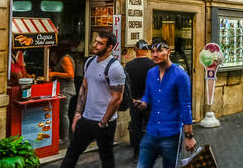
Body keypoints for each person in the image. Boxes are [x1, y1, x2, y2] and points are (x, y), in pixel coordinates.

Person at [61, 31, 125, 168]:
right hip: (86, 119)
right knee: (71, 154)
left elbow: (117, 98)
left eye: (100, 43)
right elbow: (84, 88)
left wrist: (103, 122)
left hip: (104, 122)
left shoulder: (115, 68)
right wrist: (78, 113)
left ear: (109, 48)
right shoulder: (89, 61)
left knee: (106, 158)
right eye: (95, 41)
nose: (95, 45)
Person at [134, 39, 196, 168]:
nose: (155, 55)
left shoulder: (180, 75)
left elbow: (185, 106)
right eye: (153, 51)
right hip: (150, 132)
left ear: (168, 51)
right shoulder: (151, 73)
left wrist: (189, 136)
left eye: (159, 51)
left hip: (171, 134)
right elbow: (148, 94)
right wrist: (144, 102)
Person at [125, 40, 154, 159]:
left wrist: (130, 99)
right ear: (146, 50)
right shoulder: (153, 65)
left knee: (136, 126)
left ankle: (137, 152)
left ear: (136, 49)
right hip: (150, 102)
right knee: (149, 126)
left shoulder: (129, 65)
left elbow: (126, 85)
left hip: (135, 102)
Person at [49, 45, 77, 143]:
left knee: (63, 114)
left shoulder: (65, 58)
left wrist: (54, 74)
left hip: (66, 90)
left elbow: (70, 75)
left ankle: (64, 137)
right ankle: (63, 136)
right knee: (62, 113)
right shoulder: (64, 58)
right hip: (64, 89)